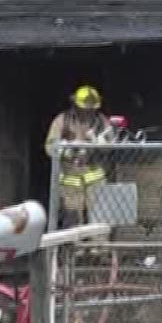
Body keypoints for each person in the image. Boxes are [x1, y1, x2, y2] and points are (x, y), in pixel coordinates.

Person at [45, 84, 111, 226]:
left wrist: (101, 143)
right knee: (72, 217)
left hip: (95, 179)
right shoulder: (63, 120)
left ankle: (98, 247)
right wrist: (68, 149)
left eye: (92, 108)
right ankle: (75, 248)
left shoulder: (101, 121)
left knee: (100, 216)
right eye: (85, 108)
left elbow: (111, 144)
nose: (88, 111)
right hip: (71, 180)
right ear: (75, 105)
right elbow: (50, 147)